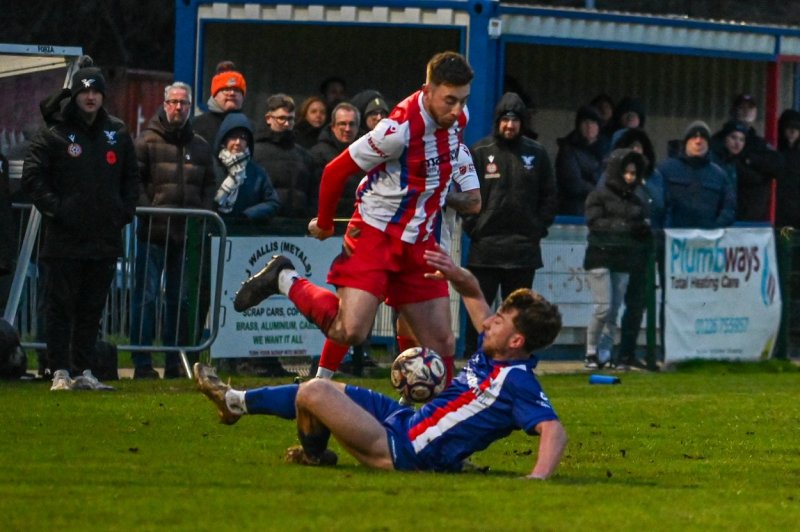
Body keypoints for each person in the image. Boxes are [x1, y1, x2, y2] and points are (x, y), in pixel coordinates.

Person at [194, 245, 567, 478]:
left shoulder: (517, 381)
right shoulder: (493, 354)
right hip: (406, 422)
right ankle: (249, 413)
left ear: (517, 341)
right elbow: (472, 291)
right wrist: (454, 274)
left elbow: (553, 430)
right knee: (327, 392)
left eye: (499, 321)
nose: (489, 321)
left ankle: (239, 404)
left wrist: (537, 478)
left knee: (314, 391)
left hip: (405, 451)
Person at [233, 51, 482, 383]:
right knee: (350, 330)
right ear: (428, 89)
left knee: (441, 342)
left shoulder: (458, 118)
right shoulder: (397, 129)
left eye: (462, 100)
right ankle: (283, 278)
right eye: (450, 100)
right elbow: (335, 172)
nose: (457, 109)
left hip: (420, 239)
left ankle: (441, 423)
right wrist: (323, 223)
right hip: (376, 234)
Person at [22, 64, 139, 390]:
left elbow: (132, 177)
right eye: (84, 91)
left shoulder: (116, 132)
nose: (90, 97)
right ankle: (58, 370)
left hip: (103, 237)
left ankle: (83, 370)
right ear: (74, 95)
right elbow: (32, 176)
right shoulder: (55, 132)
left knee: (91, 308)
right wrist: (57, 209)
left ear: (103, 95)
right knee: (60, 307)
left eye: (96, 91)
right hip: (63, 239)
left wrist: (123, 212)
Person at [130, 81, 217, 379]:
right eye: (174, 102)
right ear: (164, 104)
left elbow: (209, 184)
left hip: (186, 236)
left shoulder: (201, 146)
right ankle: (142, 362)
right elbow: (134, 182)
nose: (178, 108)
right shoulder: (146, 142)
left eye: (184, 103)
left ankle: (174, 362)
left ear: (190, 107)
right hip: (153, 233)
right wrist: (149, 209)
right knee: (146, 298)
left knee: (179, 301)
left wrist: (201, 215)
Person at [462, 92, 557, 358]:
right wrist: (475, 228)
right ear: (497, 121)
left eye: (515, 120)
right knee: (478, 308)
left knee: (518, 313)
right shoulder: (481, 151)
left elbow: (550, 196)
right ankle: (474, 355)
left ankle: (512, 358)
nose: (510, 125)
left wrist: (537, 229)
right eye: (505, 119)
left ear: (522, 123)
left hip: (522, 250)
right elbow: (465, 194)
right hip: (486, 250)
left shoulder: (536, 154)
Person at [583, 149, 651, 369]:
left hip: (623, 258)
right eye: (626, 172)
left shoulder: (636, 199)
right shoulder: (598, 195)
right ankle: (591, 351)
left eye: (633, 173)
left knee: (612, 310)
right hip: (599, 256)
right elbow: (594, 222)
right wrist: (627, 228)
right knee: (603, 307)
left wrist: (637, 229)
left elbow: (639, 226)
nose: (630, 177)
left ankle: (604, 353)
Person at [607, 128, 659, 370]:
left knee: (638, 303)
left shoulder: (654, 179)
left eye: (639, 147)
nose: (635, 152)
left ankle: (627, 353)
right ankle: (605, 354)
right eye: (631, 147)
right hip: (620, 249)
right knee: (612, 304)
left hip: (645, 250)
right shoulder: (610, 180)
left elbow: (662, 206)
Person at [655, 121, 736, 229]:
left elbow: (729, 207)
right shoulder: (665, 169)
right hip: (673, 240)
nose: (698, 141)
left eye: (703, 138)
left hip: (708, 240)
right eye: (693, 137)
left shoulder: (719, 175)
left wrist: (714, 229)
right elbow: (656, 204)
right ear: (685, 143)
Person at [252, 94, 318, 219]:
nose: (287, 124)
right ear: (268, 118)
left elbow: (313, 194)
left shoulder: (304, 156)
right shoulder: (254, 152)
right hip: (263, 225)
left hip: (297, 225)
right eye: (281, 118)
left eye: (291, 119)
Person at [723, 94, 781, 222]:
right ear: (734, 111)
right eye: (742, 108)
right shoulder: (719, 140)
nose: (746, 112)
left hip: (753, 216)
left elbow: (778, 166)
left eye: (750, 108)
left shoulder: (760, 144)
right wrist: (756, 174)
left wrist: (750, 160)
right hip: (724, 217)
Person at [310, 102, 362, 218]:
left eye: (352, 124)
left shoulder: (367, 154)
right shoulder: (317, 154)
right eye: (342, 124)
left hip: (358, 222)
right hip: (329, 223)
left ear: (358, 128)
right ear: (333, 126)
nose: (347, 129)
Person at [555, 105, 609, 215]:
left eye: (593, 123)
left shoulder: (607, 150)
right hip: (575, 211)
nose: (589, 126)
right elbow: (573, 183)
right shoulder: (568, 149)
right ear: (578, 125)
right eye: (585, 122)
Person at [193, 61, 247, 146]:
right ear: (215, 95)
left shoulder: (249, 126)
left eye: (237, 90)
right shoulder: (197, 125)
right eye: (226, 89)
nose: (232, 93)